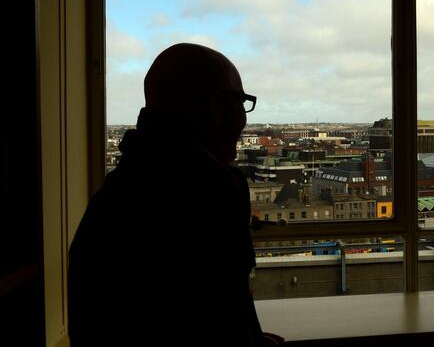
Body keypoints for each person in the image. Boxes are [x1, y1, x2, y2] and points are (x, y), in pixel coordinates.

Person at [68, 43, 277, 346]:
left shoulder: (119, 193)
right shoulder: (209, 195)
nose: (243, 121)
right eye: (241, 102)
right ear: (217, 106)